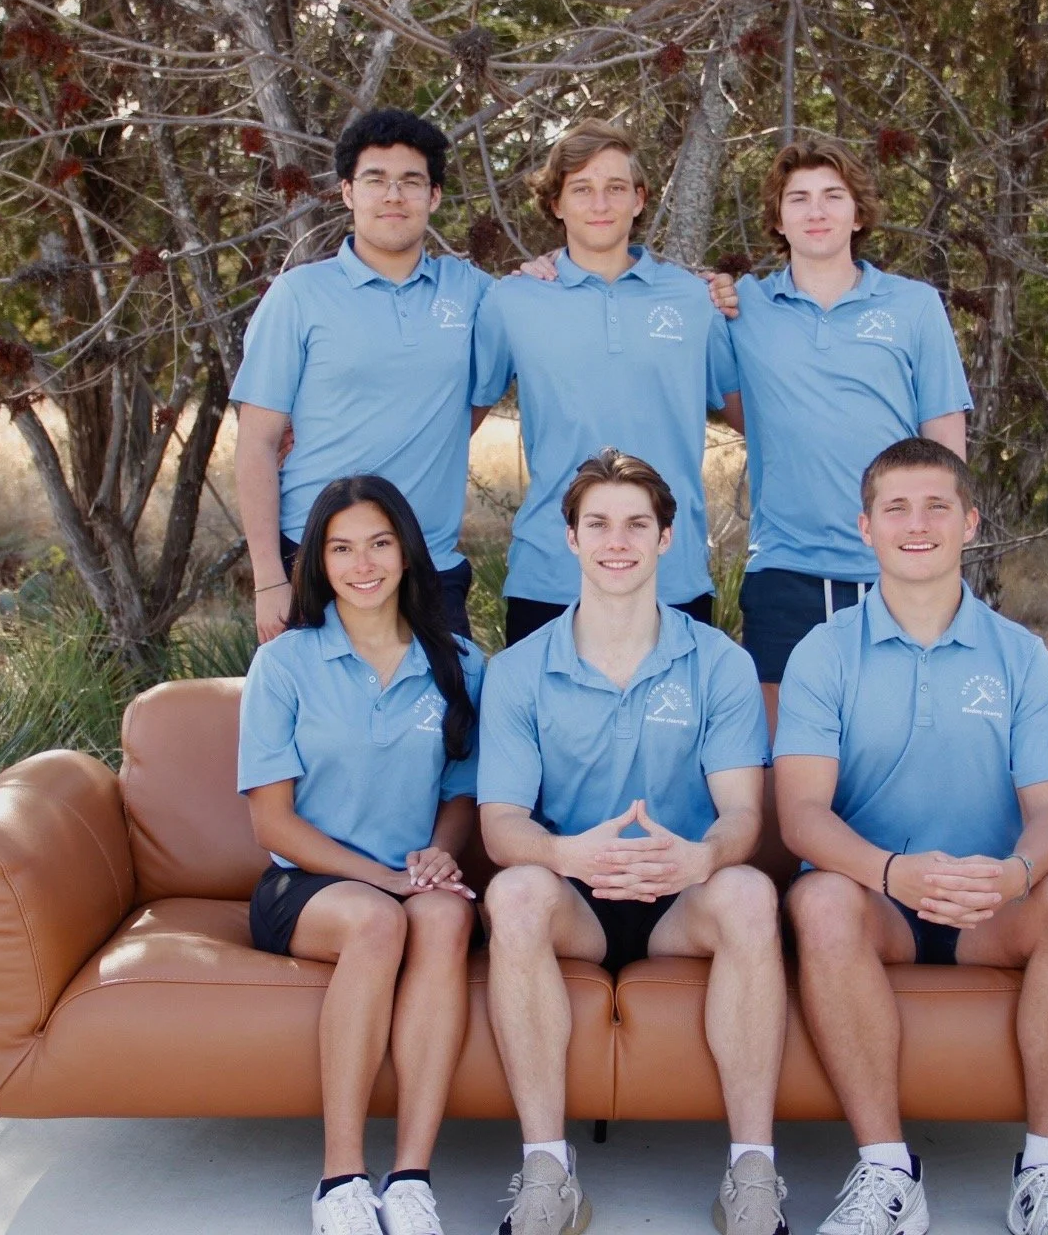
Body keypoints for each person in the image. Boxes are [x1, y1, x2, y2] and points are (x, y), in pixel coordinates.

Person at [775, 438, 1048, 1235]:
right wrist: (894, 875)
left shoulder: (1020, 655)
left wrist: (1015, 876)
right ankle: (888, 1172)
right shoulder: (824, 652)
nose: (916, 524)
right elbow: (802, 816)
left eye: (936, 507)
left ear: (970, 522)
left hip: (992, 906)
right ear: (865, 528)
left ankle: (1047, 1177)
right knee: (819, 901)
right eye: (896, 507)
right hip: (877, 901)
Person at [475, 449, 787, 1235]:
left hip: (681, 897)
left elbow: (743, 817)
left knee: (750, 892)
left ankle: (753, 1172)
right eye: (599, 524)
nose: (618, 542)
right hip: (573, 898)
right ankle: (549, 1171)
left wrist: (703, 857)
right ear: (571, 538)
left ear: (667, 538)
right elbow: (501, 825)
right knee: (512, 891)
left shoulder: (720, 664)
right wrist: (565, 856)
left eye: (636, 525)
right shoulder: (517, 672)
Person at [238, 475, 485, 1235]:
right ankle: (340, 1181)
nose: (363, 563)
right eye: (342, 548)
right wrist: (384, 879)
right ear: (320, 562)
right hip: (306, 887)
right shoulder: (286, 665)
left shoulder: (462, 666)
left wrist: (440, 858)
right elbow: (272, 824)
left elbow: (460, 796)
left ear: (408, 554)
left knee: (443, 920)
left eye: (379, 543)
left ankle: (410, 1178)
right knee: (381, 922)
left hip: (407, 881)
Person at [728, 136, 973, 728]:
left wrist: (937, 548)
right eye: (799, 198)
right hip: (785, 567)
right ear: (778, 218)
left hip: (892, 566)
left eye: (833, 197)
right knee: (782, 754)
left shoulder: (914, 306)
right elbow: (744, 413)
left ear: (857, 213)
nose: (816, 211)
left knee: (898, 737)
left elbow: (945, 445)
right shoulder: (741, 308)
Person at [472, 120, 740, 647]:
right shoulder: (513, 301)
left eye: (616, 188)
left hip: (672, 571)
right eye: (581, 189)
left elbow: (752, 418)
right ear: (556, 204)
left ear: (639, 200)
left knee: (673, 731)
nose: (600, 203)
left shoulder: (695, 301)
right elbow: (457, 422)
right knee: (553, 731)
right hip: (552, 573)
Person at [233, 109, 487, 644]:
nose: (394, 195)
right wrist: (269, 581)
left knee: (447, 723)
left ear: (434, 197)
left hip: (428, 565)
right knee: (320, 727)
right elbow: (255, 445)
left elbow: (537, 326)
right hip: (316, 561)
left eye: (412, 182)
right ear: (348, 192)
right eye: (376, 180)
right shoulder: (298, 296)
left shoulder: (472, 293)